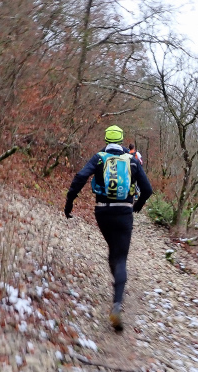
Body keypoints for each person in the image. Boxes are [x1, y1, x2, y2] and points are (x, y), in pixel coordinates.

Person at [64, 125, 153, 331]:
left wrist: (70, 201)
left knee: (113, 251)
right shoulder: (132, 160)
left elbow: (80, 177)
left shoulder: (99, 158)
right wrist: (137, 205)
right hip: (124, 213)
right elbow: (147, 189)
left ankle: (116, 283)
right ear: (121, 140)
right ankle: (116, 305)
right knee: (120, 257)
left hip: (103, 212)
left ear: (106, 139)